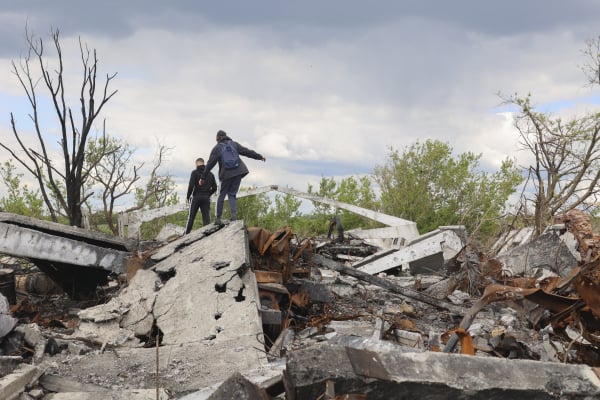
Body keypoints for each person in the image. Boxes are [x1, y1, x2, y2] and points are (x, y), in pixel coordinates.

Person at [200, 130, 266, 225]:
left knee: (221, 195)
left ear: (217, 138)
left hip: (226, 174)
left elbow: (210, 164)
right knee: (232, 194)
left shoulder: (217, 148)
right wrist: (259, 157)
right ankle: (234, 216)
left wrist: (203, 177)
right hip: (239, 171)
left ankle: (218, 218)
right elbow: (247, 152)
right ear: (226, 136)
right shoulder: (234, 144)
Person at [185, 157, 217, 234]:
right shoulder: (210, 174)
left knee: (191, 217)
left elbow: (191, 185)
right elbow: (215, 188)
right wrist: (208, 194)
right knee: (206, 218)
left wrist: (188, 197)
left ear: (196, 163)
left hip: (196, 197)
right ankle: (208, 234)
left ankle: (186, 234)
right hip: (206, 198)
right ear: (203, 163)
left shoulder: (194, 172)